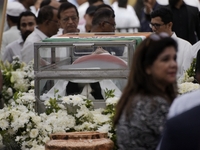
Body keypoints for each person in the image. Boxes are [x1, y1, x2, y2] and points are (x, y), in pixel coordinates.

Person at [114, 33, 178, 150]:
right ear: (148, 67)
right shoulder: (154, 104)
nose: (173, 64)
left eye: (174, 58)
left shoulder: (135, 98)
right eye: (165, 59)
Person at [150, 7, 193, 79]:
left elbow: (186, 76)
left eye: (157, 25)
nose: (153, 29)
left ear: (169, 25)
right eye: (152, 25)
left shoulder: (185, 47)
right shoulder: (149, 45)